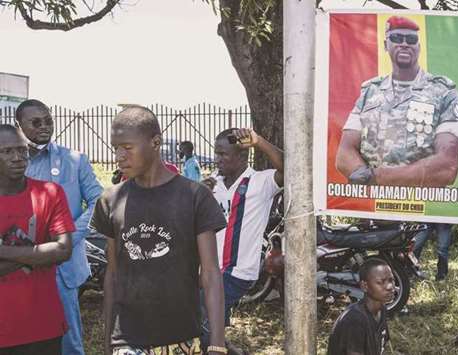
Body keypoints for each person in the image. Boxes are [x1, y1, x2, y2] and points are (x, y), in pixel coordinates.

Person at [88, 106, 228, 355]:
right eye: (115, 148)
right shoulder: (110, 200)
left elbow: (209, 273)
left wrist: (217, 343)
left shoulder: (195, 197)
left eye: (127, 148)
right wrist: (109, 343)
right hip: (127, 341)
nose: (119, 156)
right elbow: (113, 275)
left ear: (155, 142)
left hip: (181, 339)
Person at [336, 16, 458, 187]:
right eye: (397, 38)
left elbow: (447, 166)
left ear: (419, 47)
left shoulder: (444, 92)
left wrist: (376, 177)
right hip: (374, 207)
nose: (404, 44)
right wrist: (362, 173)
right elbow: (344, 153)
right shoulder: (370, 92)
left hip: (423, 206)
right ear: (386, 45)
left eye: (411, 39)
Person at [15, 99, 103, 355]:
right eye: (36, 122)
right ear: (18, 126)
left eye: (49, 121)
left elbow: (99, 200)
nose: (45, 127)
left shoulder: (74, 160)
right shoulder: (10, 162)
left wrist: (69, 236)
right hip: (17, 265)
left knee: (68, 340)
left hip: (62, 267)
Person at [201, 128, 283, 349]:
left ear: (241, 156)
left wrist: (259, 142)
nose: (217, 159)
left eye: (223, 154)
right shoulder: (211, 184)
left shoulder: (260, 183)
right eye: (215, 153)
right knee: (207, 327)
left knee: (204, 325)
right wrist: (198, 195)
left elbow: (289, 168)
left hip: (236, 272)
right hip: (209, 271)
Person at [0, 124, 74, 355]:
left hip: (43, 325)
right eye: (7, 152)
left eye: (22, 150)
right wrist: (39, 255)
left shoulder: (51, 193)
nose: (18, 158)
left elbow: (63, 251)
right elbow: (53, 251)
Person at [327, 258, 393, 355]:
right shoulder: (355, 319)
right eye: (381, 282)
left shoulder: (381, 309)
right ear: (364, 286)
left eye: (391, 280)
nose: (389, 286)